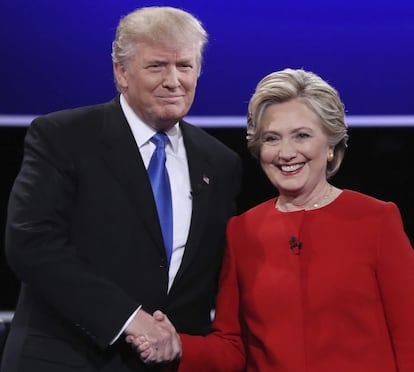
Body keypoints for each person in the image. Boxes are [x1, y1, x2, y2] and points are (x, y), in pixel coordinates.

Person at [0, 6, 242, 372]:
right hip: (67, 359)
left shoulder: (220, 162)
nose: (173, 80)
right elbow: (31, 243)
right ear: (121, 72)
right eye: (157, 66)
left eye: (185, 66)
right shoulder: (64, 137)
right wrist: (129, 319)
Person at [133, 68, 414, 371]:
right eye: (272, 138)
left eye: (302, 136)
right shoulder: (242, 231)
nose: (286, 153)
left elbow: (408, 336)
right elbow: (232, 347)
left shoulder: (376, 220)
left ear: (330, 145)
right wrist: (177, 345)